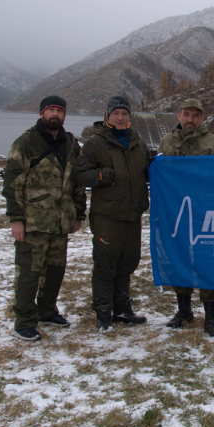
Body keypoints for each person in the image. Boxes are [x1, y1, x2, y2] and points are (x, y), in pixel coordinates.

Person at [1, 95, 86, 341]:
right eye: (51, 110)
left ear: (64, 115)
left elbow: (77, 183)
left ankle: (47, 311)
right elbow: (12, 184)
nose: (55, 114)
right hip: (33, 222)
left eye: (59, 110)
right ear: (41, 114)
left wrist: (78, 214)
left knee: (55, 271)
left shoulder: (71, 144)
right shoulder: (26, 142)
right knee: (29, 272)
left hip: (61, 223)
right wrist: (16, 219)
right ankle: (24, 321)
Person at [74, 96, 150, 333]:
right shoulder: (95, 143)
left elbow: (148, 171)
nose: (120, 117)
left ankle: (122, 308)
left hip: (132, 215)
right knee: (105, 265)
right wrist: (105, 176)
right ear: (108, 116)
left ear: (129, 117)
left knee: (126, 264)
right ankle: (103, 312)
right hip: (107, 216)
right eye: (116, 113)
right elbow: (80, 174)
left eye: (124, 113)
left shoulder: (138, 144)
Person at [158, 98, 214, 337]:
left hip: (204, 213)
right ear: (178, 115)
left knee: (206, 261)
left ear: (202, 119)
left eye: (195, 115)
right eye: (186, 114)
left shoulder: (211, 143)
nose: (190, 119)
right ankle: (184, 310)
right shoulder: (167, 142)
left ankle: (211, 317)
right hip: (175, 213)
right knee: (179, 258)